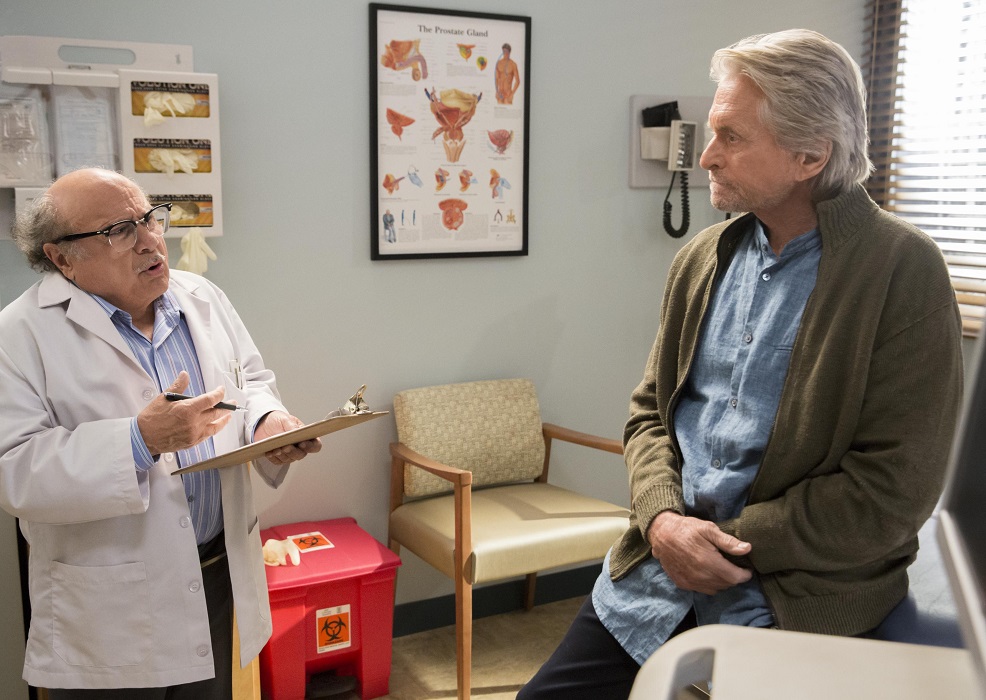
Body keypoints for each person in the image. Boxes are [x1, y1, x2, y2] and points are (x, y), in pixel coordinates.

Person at [518, 29, 963, 699]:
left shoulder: (903, 271)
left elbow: (891, 493)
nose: (706, 156)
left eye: (731, 136)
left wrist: (722, 542)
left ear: (810, 155)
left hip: (795, 598)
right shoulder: (701, 259)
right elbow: (649, 416)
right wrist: (664, 523)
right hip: (655, 578)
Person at [0, 167, 322, 698]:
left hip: (216, 574)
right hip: (110, 606)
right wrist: (140, 440)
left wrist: (267, 422)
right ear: (62, 258)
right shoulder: (19, 334)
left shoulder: (202, 296)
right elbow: (14, 471)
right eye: (119, 231)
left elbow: (250, 382)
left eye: (150, 218)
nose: (150, 241)